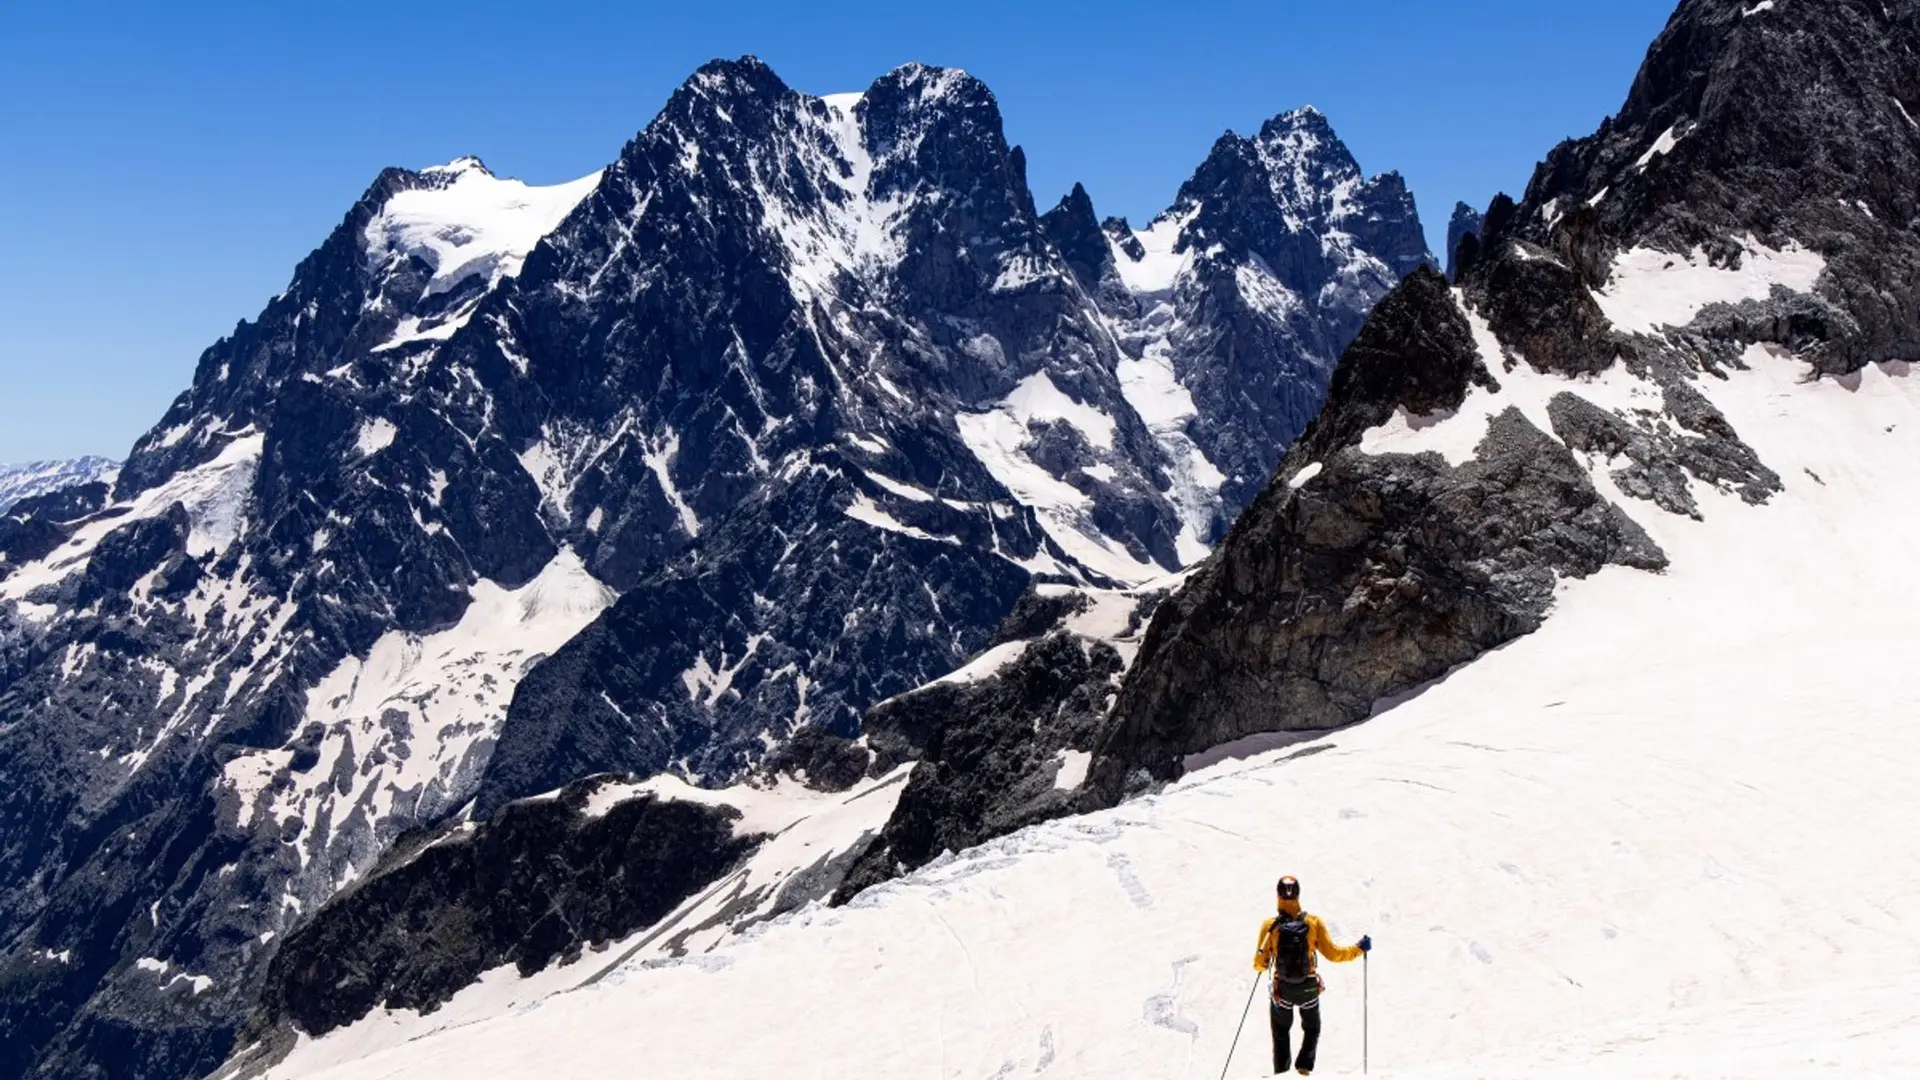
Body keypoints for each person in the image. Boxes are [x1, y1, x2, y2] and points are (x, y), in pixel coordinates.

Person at [1251, 875, 1370, 1076]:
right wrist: (1359, 949)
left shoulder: (1270, 926)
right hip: (1308, 988)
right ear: (1298, 895)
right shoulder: (1313, 923)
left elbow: (1259, 965)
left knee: (1281, 1034)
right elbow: (1334, 954)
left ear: (1278, 896)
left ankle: (1282, 1074)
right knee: (1312, 1030)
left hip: (1283, 990)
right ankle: (1303, 1069)